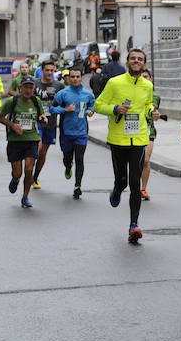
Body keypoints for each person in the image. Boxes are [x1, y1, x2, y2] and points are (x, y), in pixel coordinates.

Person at [95, 48, 160, 243]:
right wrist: (115, 108)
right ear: (127, 61)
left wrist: (152, 112)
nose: (136, 61)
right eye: (133, 58)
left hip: (139, 139)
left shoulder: (147, 86)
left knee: (134, 182)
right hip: (118, 139)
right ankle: (116, 189)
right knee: (122, 180)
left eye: (140, 59)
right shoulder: (115, 83)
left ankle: (134, 225)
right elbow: (98, 105)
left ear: (144, 63)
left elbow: (147, 105)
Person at [0, 77, 47, 208]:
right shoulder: (12, 101)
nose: (28, 90)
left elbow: (41, 116)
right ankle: (15, 178)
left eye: (31, 87)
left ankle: (25, 197)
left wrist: (43, 119)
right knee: (18, 172)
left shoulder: (36, 101)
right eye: (26, 87)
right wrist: (12, 125)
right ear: (20, 88)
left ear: (34, 89)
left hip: (32, 139)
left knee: (29, 169)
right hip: (15, 141)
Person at [50, 68, 95, 199]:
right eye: (73, 77)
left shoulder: (88, 94)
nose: (75, 79)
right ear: (69, 78)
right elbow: (52, 108)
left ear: (81, 78)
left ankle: (77, 186)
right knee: (67, 158)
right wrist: (65, 109)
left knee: (80, 159)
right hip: (66, 133)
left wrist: (91, 111)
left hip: (81, 132)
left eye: (77, 76)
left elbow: (92, 105)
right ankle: (68, 167)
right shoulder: (62, 94)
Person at [31, 61, 65, 189]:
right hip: (37, 121)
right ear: (42, 70)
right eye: (47, 70)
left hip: (51, 123)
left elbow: (64, 103)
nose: (49, 73)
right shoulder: (35, 83)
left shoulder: (59, 86)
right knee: (38, 149)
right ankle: (29, 171)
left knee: (43, 153)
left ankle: (35, 177)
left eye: (52, 70)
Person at [139, 69, 161, 201]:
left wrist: (154, 114)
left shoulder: (155, 95)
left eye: (146, 77)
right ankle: (134, 186)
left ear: (151, 79)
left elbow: (153, 110)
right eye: (142, 77)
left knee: (146, 161)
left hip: (149, 131)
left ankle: (143, 189)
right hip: (134, 131)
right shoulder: (133, 93)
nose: (144, 79)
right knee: (136, 162)